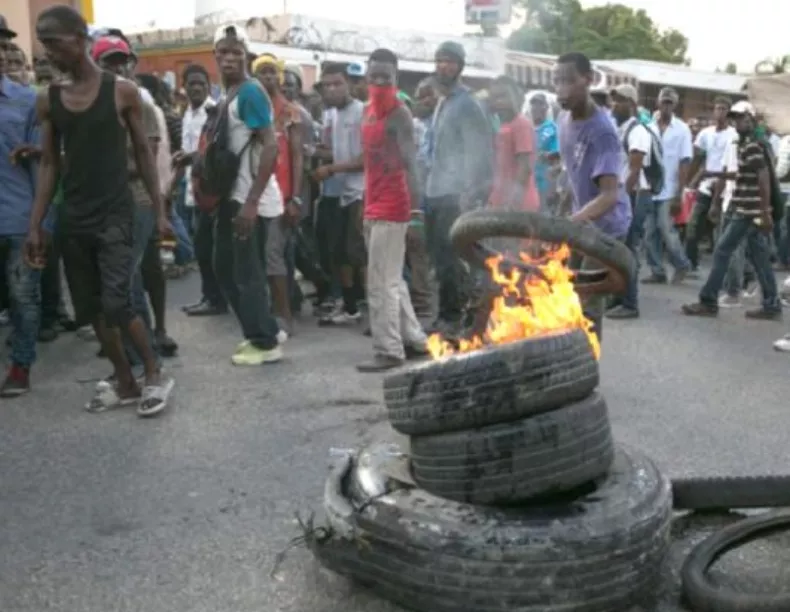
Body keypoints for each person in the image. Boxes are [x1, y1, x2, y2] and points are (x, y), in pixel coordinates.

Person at [29, 6, 173, 416]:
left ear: (79, 39)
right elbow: (49, 163)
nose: (47, 52)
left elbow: (144, 154)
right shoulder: (49, 99)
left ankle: (153, 373)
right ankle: (125, 380)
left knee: (116, 302)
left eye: (53, 43)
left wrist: (160, 211)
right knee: (91, 310)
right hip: (74, 217)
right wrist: (35, 224)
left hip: (115, 214)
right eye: (43, 44)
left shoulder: (122, 92)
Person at [210, 25, 283, 365]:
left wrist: (251, 203)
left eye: (236, 52)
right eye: (223, 52)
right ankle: (262, 330)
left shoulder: (251, 92)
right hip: (233, 196)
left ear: (246, 56)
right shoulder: (230, 93)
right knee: (225, 267)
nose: (229, 58)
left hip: (248, 199)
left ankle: (265, 343)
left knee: (247, 273)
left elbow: (270, 145)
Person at [553, 52, 632, 341]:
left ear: (588, 80)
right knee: (566, 293)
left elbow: (609, 195)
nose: (561, 89)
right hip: (580, 222)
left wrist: (572, 221)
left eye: (569, 81)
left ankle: (587, 363)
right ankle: (568, 354)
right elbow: (572, 174)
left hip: (606, 228)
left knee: (587, 303)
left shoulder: (603, 132)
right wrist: (559, 218)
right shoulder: (563, 119)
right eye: (557, 81)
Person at [357, 48, 427, 372]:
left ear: (396, 78)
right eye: (375, 76)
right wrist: (364, 204)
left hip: (393, 206)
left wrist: (415, 212)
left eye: (386, 77)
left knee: (380, 283)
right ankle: (414, 339)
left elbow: (412, 165)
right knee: (392, 279)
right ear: (367, 76)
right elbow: (368, 162)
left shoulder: (400, 114)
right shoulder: (368, 111)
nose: (380, 82)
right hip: (373, 203)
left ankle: (389, 350)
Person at [682, 101, 781, 320]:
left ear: (751, 119)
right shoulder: (747, 143)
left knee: (722, 250)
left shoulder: (752, 145)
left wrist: (764, 211)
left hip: (748, 209)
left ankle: (708, 301)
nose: (737, 122)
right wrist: (714, 174)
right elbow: (743, 175)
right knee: (760, 258)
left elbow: (763, 177)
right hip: (748, 208)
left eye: (742, 118)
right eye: (734, 118)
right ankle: (771, 304)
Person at [424, 40, 494, 336]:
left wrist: (470, 191)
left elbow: (479, 152)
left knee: (451, 259)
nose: (443, 66)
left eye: (450, 61)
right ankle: (449, 314)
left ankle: (453, 319)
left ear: (460, 66)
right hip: (434, 190)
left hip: (455, 193)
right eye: (439, 60)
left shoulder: (468, 104)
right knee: (439, 258)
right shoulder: (443, 102)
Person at [0, 16, 46, 396]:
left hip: (18, 218)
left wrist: (41, 223)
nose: (2, 54)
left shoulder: (28, 100)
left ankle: (21, 367)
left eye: (3, 46)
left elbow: (46, 165)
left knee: (22, 296)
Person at [312, 62, 366, 327]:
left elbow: (365, 159)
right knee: (340, 253)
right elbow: (335, 151)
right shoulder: (331, 114)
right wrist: (314, 151)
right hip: (338, 193)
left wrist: (331, 169)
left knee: (360, 255)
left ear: (349, 84)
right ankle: (350, 306)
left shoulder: (362, 112)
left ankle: (376, 309)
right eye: (327, 85)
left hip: (361, 192)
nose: (332, 89)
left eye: (337, 84)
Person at [252, 53, 302, 337]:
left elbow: (297, 156)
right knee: (260, 256)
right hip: (253, 192)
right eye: (263, 72)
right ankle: (267, 311)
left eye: (272, 72)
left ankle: (284, 315)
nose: (268, 77)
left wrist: (295, 197)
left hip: (280, 195)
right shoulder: (251, 107)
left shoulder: (289, 111)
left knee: (274, 255)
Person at [177, 64, 227, 317]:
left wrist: (191, 157)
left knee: (208, 249)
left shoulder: (214, 112)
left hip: (210, 192)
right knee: (202, 248)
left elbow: (214, 152)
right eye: (191, 84)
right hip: (193, 190)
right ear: (183, 87)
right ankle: (210, 296)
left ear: (209, 86)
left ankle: (216, 299)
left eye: (201, 84)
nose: (196, 88)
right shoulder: (187, 113)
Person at [606, 83, 653, 320]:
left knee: (628, 249)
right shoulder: (619, 128)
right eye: (613, 100)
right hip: (623, 194)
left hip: (634, 195)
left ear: (632, 105)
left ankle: (630, 303)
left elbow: (634, 170)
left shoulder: (638, 132)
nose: (614, 105)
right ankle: (617, 296)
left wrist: (620, 199)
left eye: (620, 101)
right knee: (618, 248)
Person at [642, 87, 692, 285]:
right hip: (648, 187)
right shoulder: (648, 127)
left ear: (675, 105)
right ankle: (657, 271)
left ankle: (682, 264)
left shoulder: (682, 129)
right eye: (664, 101)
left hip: (669, 189)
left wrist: (680, 192)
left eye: (670, 102)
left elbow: (685, 161)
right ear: (658, 102)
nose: (667, 106)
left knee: (666, 229)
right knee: (649, 232)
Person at [686, 96, 737, 273]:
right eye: (717, 108)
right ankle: (691, 263)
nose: (720, 112)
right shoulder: (705, 133)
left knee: (721, 231)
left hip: (726, 188)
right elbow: (697, 157)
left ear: (729, 112)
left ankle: (723, 269)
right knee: (693, 226)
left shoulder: (733, 135)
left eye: (724, 109)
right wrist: (690, 182)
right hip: (706, 185)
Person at [488, 76, 540, 213]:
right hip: (501, 200)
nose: (499, 102)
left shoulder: (521, 124)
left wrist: (513, 203)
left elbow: (524, 167)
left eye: (503, 96)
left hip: (518, 204)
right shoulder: (501, 125)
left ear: (515, 96)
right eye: (495, 97)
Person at [529, 92, 560, 215]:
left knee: (543, 216)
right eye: (533, 105)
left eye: (540, 104)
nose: (536, 108)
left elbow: (557, 155)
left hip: (545, 183)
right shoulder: (527, 127)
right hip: (529, 183)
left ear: (546, 108)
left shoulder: (551, 129)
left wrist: (544, 155)